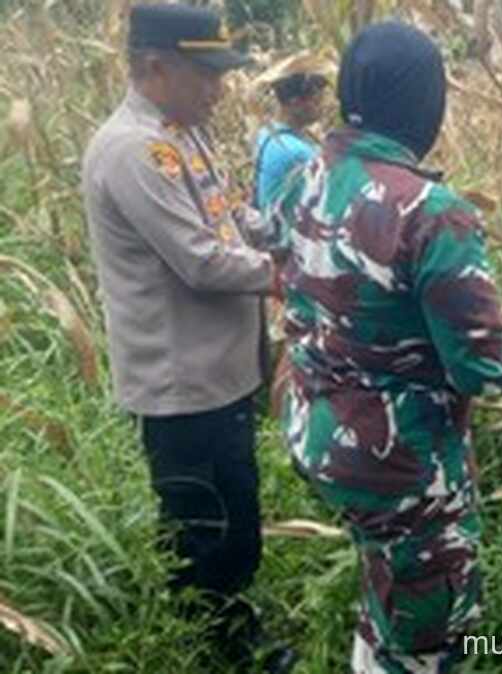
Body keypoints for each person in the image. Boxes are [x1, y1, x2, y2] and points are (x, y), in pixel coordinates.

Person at [265, 21, 502, 674]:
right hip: (399, 467)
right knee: (428, 627)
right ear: (426, 104)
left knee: (385, 573)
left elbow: (298, 287)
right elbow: (484, 367)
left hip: (321, 434)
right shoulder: (431, 211)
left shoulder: (303, 177)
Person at [81, 4, 295, 672]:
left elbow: (229, 218)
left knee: (234, 511)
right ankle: (217, 647)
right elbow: (202, 261)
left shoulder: (182, 134)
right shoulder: (132, 150)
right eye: (206, 74)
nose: (219, 88)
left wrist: (285, 232)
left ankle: (230, 626)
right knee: (205, 528)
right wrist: (293, 277)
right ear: (153, 67)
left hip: (218, 375)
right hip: (183, 384)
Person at [253, 51, 329, 210]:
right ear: (295, 102)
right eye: (317, 100)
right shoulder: (297, 153)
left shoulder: (268, 133)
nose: (323, 106)